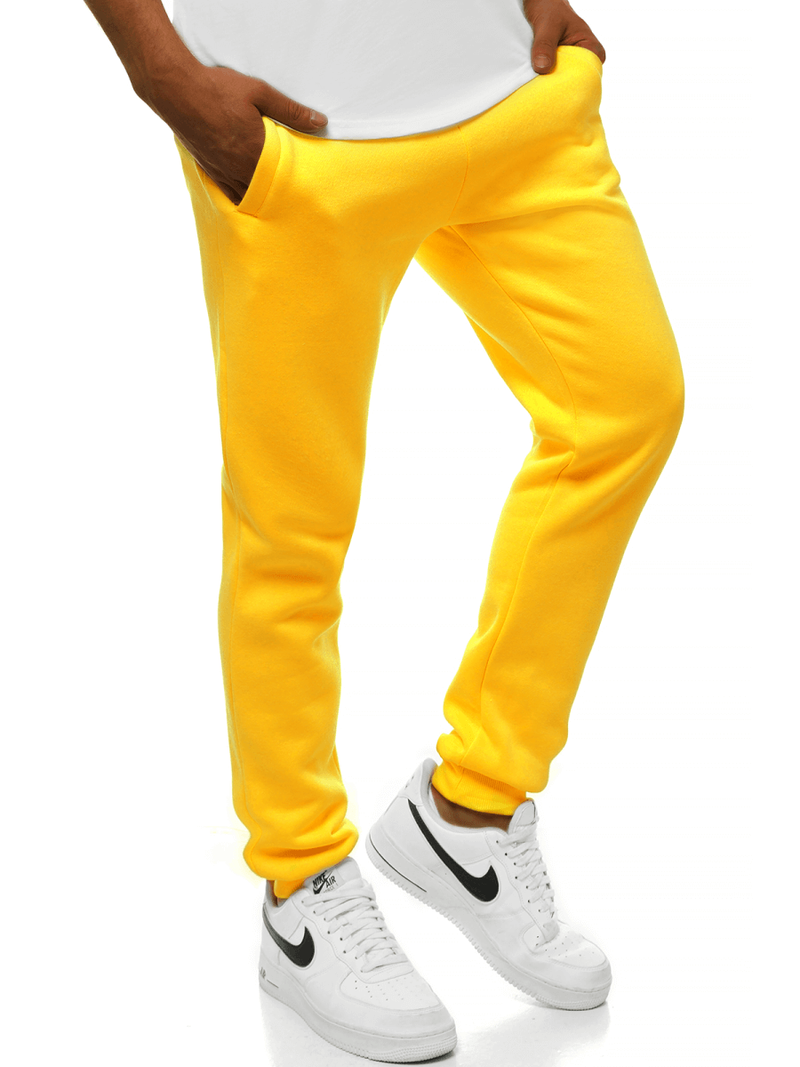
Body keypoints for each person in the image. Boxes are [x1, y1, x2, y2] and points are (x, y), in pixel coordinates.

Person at [83, 1, 685, 1060]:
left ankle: (470, 812)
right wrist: (162, 72)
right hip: (300, 141)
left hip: (510, 97)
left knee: (627, 408)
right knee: (292, 531)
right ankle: (300, 880)